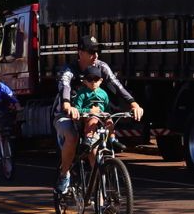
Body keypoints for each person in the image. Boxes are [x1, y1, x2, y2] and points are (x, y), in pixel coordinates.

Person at [55, 37, 143, 198]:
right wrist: (67, 105)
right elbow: (64, 86)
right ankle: (64, 175)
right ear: (80, 53)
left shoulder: (102, 67)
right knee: (72, 136)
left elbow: (117, 85)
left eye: (97, 51)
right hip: (68, 113)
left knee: (95, 150)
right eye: (91, 52)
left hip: (93, 115)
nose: (96, 55)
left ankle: (100, 197)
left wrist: (133, 104)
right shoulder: (69, 70)